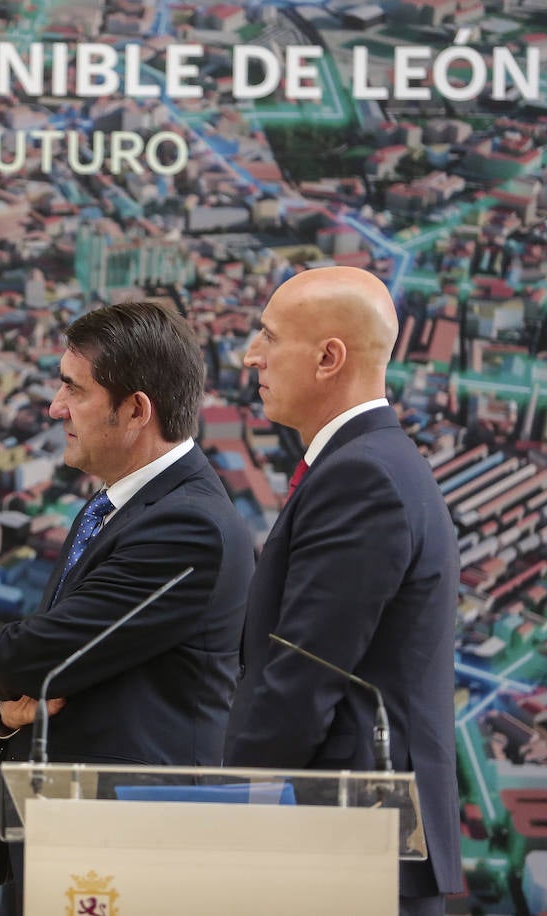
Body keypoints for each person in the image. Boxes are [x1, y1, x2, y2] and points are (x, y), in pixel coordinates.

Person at [0, 301, 254, 914]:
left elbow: (41, 652)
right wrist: (8, 718)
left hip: (132, 850)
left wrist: (3, 665)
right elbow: (47, 667)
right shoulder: (119, 506)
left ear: (136, 410)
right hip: (77, 842)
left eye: (74, 387)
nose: (54, 407)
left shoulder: (187, 524)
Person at [223, 267, 462, 915]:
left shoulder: (362, 477)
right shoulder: (373, 463)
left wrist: (223, 812)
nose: (251, 356)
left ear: (329, 358)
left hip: (350, 848)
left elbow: (302, 677)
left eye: (269, 337)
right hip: (353, 839)